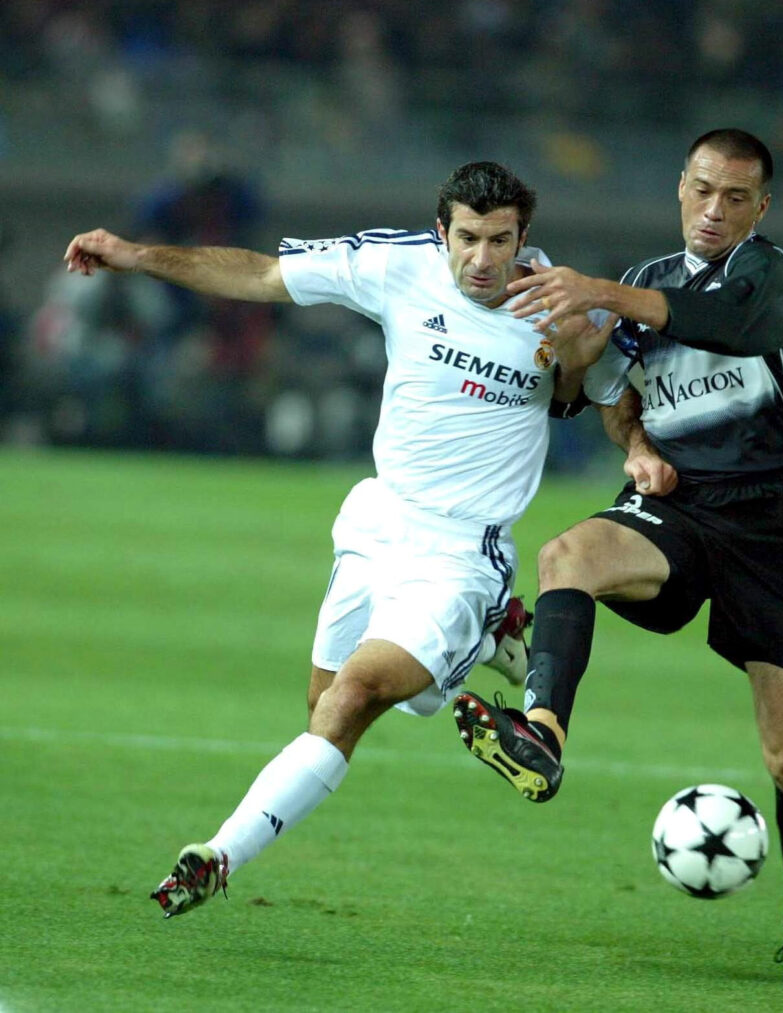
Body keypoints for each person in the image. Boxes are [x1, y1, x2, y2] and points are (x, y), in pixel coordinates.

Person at [64, 160, 615, 918]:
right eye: (467, 238)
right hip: (378, 520)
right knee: (323, 704)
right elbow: (259, 275)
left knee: (353, 698)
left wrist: (595, 387)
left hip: (460, 554)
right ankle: (482, 645)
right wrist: (134, 254)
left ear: (525, 237)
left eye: (500, 240)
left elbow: (583, 391)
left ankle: (216, 853)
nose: (482, 260)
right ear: (440, 231)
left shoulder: (557, 306)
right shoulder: (395, 265)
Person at [452, 130, 783, 985]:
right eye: (703, 191)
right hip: (679, 503)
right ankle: (543, 731)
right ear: (681, 187)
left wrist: (595, 294)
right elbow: (604, 395)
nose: (715, 212)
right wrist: (627, 432)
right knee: (568, 555)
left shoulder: (766, 277)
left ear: (761, 208)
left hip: (775, 519)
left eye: (736, 198)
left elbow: (711, 323)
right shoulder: (644, 282)